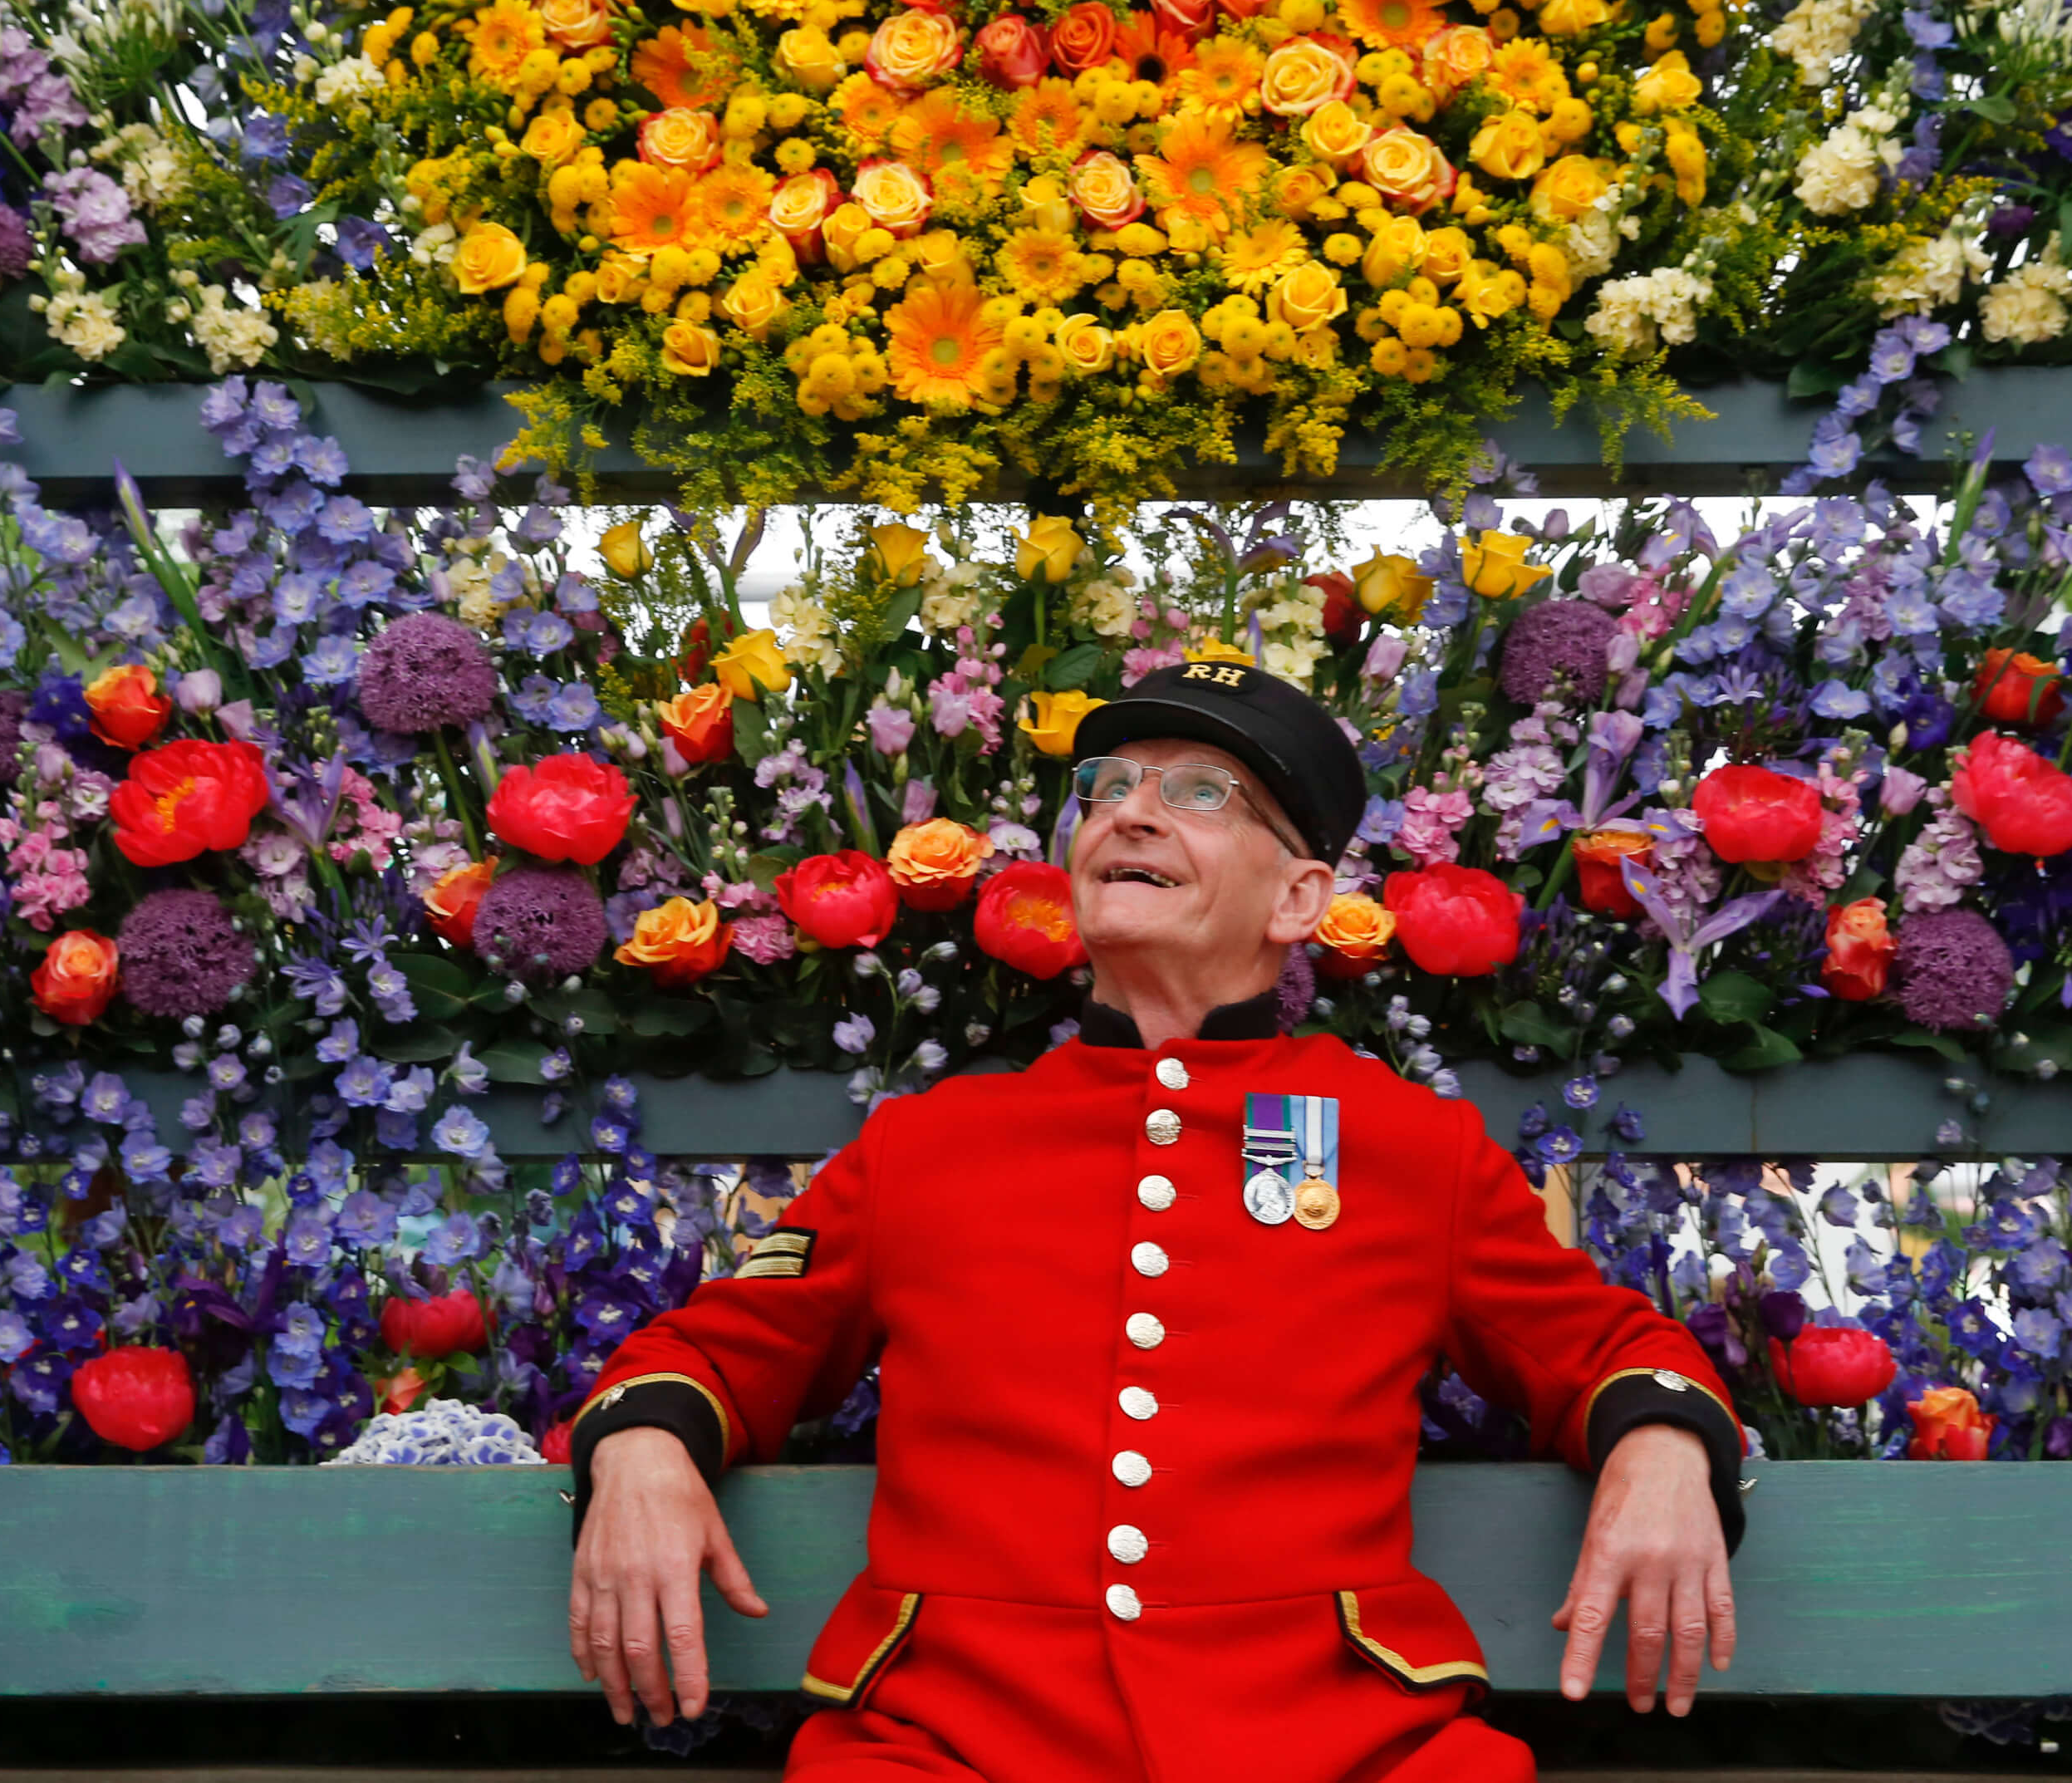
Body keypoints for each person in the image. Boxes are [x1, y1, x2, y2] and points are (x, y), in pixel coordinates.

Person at [565, 658, 1746, 1781]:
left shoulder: (1407, 1150)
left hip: (1340, 1748)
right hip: (951, 1745)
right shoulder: (925, 1148)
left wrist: (1659, 1444)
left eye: (1199, 793)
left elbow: (1602, 1345)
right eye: (1107, 787)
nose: (1129, 813)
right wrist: (645, 1446)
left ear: (1299, 898)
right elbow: (722, 1343)